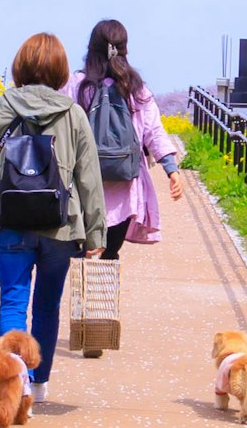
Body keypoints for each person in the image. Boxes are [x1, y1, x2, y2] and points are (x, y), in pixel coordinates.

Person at [0, 31, 104, 410]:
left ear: (19, 67)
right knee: (47, 307)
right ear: (61, 71)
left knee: (13, 303)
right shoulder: (73, 114)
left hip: (10, 222)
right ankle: (37, 383)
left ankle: (10, 382)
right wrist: (96, 233)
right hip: (60, 226)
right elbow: (88, 177)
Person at [73, 16, 184, 283]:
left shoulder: (77, 85)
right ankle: (104, 313)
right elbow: (153, 130)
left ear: (92, 49)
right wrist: (171, 169)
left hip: (83, 185)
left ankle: (83, 311)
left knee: (81, 253)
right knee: (110, 253)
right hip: (125, 185)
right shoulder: (135, 88)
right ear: (124, 48)